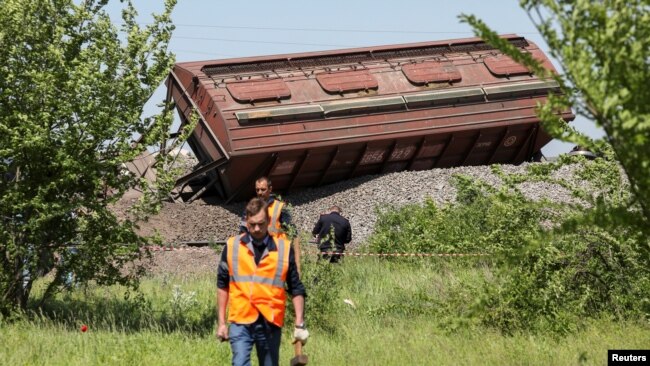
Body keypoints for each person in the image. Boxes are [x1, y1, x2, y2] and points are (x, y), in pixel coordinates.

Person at [217, 197, 309, 366]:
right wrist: (222, 323)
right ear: (246, 221)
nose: (257, 229)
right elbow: (222, 285)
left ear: (268, 221)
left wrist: (299, 323)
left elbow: (296, 287)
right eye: (252, 224)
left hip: (270, 321)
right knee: (239, 363)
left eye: (261, 223)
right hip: (241, 318)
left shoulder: (283, 249)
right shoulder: (232, 246)